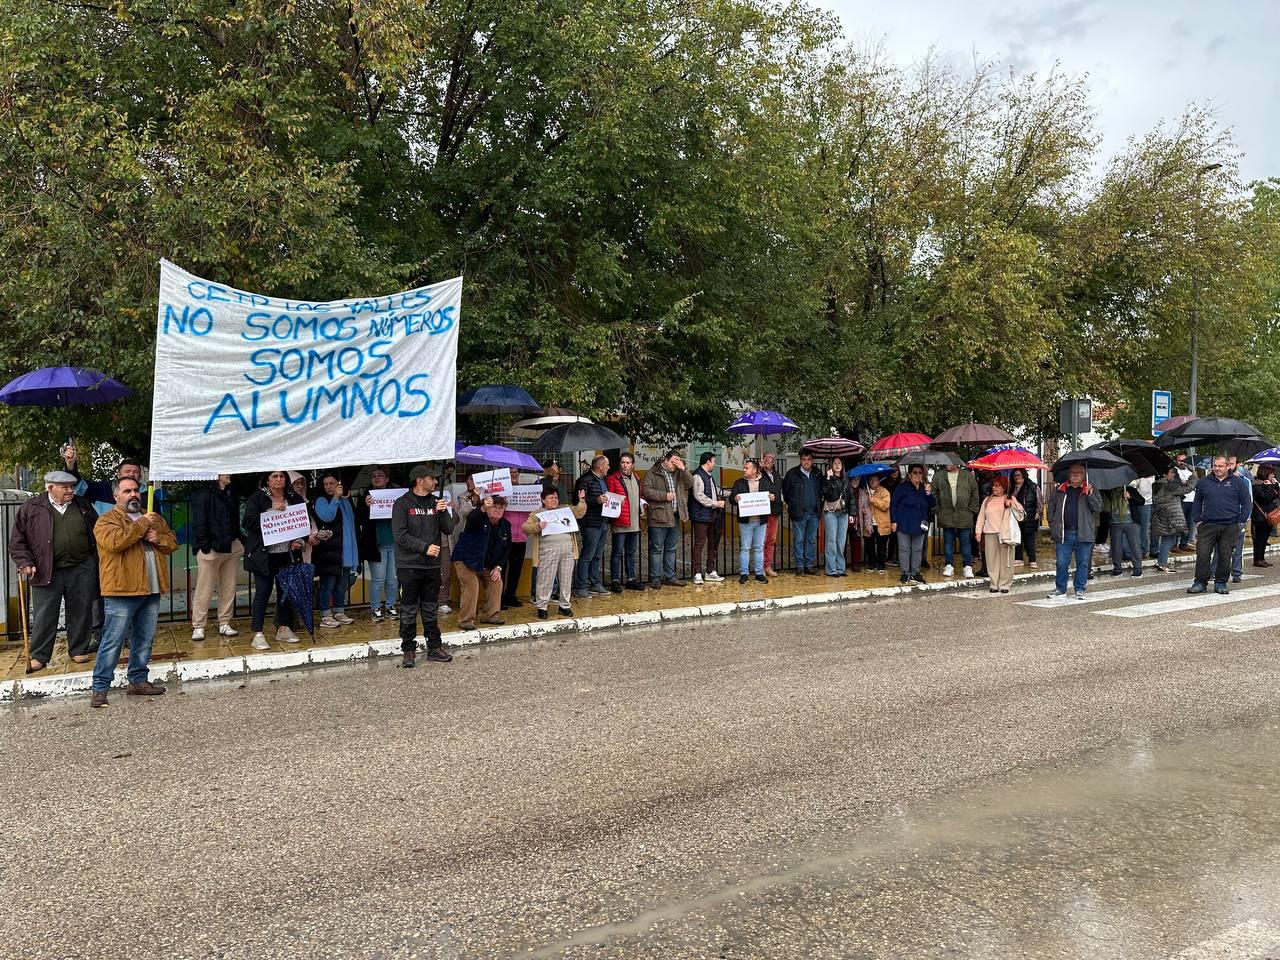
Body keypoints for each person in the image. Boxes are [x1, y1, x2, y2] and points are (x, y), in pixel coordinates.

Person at [88, 476, 177, 708]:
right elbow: (116, 542)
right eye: (127, 491)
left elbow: (172, 542)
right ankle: (100, 688)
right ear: (116, 496)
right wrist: (142, 525)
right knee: (113, 641)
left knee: (144, 640)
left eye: (136, 490)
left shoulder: (152, 518)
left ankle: (138, 681)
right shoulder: (106, 521)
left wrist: (158, 538)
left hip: (152, 588)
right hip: (121, 590)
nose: (134, 494)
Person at [9, 470, 100, 673]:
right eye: (64, 487)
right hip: (45, 569)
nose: (70, 490)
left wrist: (94, 560)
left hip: (81, 566)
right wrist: (25, 561)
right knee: (44, 614)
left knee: (81, 610)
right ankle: (40, 655)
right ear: (50, 488)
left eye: (71, 486)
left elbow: (98, 531)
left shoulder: (82, 505)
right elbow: (17, 541)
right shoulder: (32, 508)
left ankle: (78, 649)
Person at [392, 464, 455, 667]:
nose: (436, 482)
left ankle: (434, 647)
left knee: (430, 608)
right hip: (408, 566)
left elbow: (448, 528)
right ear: (419, 480)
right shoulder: (402, 504)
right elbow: (400, 535)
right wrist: (424, 547)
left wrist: (444, 512)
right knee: (409, 610)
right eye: (431, 478)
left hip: (431, 567)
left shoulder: (436, 502)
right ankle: (408, 650)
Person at [241, 471, 312, 650]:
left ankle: (284, 628)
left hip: (287, 554)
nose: (279, 479)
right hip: (265, 555)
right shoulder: (258, 498)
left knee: (285, 593)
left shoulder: (293, 496)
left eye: (281, 476)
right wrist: (271, 512)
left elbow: (303, 522)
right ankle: (257, 632)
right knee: (263, 592)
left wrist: (299, 540)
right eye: (274, 476)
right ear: (267, 479)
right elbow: (247, 522)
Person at [1187, 455, 1251, 595]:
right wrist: (1197, 520)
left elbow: (1246, 502)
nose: (1217, 468)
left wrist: (1241, 521)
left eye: (1220, 466)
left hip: (1230, 525)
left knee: (1225, 555)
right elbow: (1197, 502)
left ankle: (1220, 583)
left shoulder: (1238, 482)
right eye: (1215, 465)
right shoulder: (1204, 482)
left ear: (1228, 466)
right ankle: (1200, 582)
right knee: (1203, 554)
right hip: (1208, 525)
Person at [189, 474, 242, 641]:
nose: (230, 475)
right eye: (226, 472)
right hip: (211, 548)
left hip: (230, 545)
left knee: (229, 586)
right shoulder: (203, 494)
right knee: (204, 588)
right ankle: (198, 625)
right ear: (217, 475)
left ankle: (224, 622)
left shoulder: (231, 493)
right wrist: (205, 545)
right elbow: (199, 522)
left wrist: (239, 539)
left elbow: (234, 520)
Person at [524, 486, 587, 618]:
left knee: (566, 578)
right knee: (545, 579)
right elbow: (525, 527)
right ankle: (542, 606)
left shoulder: (565, 510)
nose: (554, 500)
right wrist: (538, 526)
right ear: (543, 500)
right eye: (551, 497)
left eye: (556, 497)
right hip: (548, 550)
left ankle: (564, 605)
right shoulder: (537, 514)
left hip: (567, 548)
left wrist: (581, 501)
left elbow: (579, 512)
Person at [452, 494, 511, 630]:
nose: (497, 510)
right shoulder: (479, 518)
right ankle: (466, 620)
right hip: (465, 559)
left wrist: (498, 567)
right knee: (471, 585)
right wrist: (483, 507)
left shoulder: (506, 525)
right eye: (494, 507)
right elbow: (471, 518)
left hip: (485, 564)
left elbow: (506, 548)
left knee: (496, 581)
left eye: (501, 507)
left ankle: (490, 615)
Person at [1046, 465, 1102, 600]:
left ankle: (1080, 589)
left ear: (1084, 475)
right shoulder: (1059, 489)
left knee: (1082, 562)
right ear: (1068, 474)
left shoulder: (1091, 489)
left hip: (1084, 532)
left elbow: (1099, 508)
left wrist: (1090, 495)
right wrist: (1053, 525)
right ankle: (1060, 589)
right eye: (1073, 472)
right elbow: (1051, 509)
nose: (1076, 475)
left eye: (1079, 473)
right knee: (1061, 562)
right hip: (1064, 533)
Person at [643, 450, 693, 588]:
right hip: (659, 516)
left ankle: (670, 576)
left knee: (671, 548)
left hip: (675, 516)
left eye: (678, 461)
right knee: (656, 548)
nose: (674, 464)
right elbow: (646, 491)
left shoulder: (679, 472)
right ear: (665, 460)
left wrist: (683, 468)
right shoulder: (653, 472)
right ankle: (655, 578)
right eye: (673, 461)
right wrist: (664, 496)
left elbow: (690, 483)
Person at [313, 472, 358, 627]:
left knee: (341, 584)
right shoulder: (321, 500)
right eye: (326, 484)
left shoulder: (345, 500)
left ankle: (339, 611)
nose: (329, 487)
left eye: (331, 483)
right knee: (328, 585)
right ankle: (325, 615)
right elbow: (327, 516)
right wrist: (335, 499)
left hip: (344, 550)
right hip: (330, 551)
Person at [356, 465, 398, 623]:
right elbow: (359, 519)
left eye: (380, 475)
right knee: (378, 579)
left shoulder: (395, 495)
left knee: (392, 579)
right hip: (376, 544)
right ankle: (375, 608)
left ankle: (390, 606)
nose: (377, 478)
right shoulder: (365, 497)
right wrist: (367, 508)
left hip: (394, 543)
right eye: (374, 476)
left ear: (387, 479)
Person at [974, 475, 1025, 593]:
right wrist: (978, 531)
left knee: (1006, 559)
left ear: (1004, 487)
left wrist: (1010, 504)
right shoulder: (987, 500)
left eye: (997, 486)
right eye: (993, 485)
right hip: (989, 532)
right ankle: (994, 583)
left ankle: (1005, 584)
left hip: (1005, 533)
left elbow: (1021, 515)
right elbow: (981, 516)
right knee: (991, 559)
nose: (994, 488)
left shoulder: (1010, 498)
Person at [573, 456, 611, 598]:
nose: (608, 468)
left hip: (602, 522)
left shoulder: (603, 480)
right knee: (587, 555)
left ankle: (595, 583)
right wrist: (596, 500)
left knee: (596, 555)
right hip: (590, 523)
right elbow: (579, 501)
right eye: (607, 465)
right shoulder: (585, 480)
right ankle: (581, 586)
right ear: (600, 466)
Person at [730, 458, 774, 583]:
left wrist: (772, 497)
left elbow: (774, 494)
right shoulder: (739, 483)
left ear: (754, 470)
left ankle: (759, 573)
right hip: (745, 521)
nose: (744, 469)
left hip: (761, 521)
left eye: (747, 467)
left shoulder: (765, 482)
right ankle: (744, 573)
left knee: (759, 547)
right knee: (745, 548)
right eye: (744, 467)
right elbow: (732, 499)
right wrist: (735, 498)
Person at [889, 464, 935, 584]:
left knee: (918, 549)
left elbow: (932, 504)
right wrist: (893, 521)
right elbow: (893, 504)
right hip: (904, 522)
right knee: (904, 549)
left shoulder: (924, 488)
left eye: (920, 472)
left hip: (920, 523)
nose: (918, 475)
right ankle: (905, 572)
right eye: (915, 472)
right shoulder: (902, 488)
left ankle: (915, 572)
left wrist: (929, 493)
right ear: (909, 474)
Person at [932, 463, 979, 578]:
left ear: (956, 462)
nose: (946, 463)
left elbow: (974, 494)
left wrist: (971, 510)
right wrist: (938, 511)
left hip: (964, 515)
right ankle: (949, 565)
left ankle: (967, 566)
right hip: (946, 514)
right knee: (948, 542)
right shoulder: (938, 476)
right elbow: (934, 495)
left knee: (965, 542)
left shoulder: (967, 476)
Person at [606, 453, 645, 591]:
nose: (625, 465)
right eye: (623, 462)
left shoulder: (637, 478)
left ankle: (631, 579)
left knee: (631, 552)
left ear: (632, 465)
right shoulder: (613, 478)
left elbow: (638, 497)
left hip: (634, 522)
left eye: (628, 462)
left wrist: (641, 506)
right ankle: (615, 580)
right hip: (620, 522)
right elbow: (609, 498)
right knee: (617, 552)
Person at [689, 452, 726, 585]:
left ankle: (710, 571)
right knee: (699, 544)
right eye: (714, 461)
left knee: (713, 544)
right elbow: (699, 495)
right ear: (708, 462)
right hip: (700, 516)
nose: (715, 464)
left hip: (711, 516)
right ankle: (697, 573)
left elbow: (714, 490)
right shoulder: (698, 476)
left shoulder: (709, 476)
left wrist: (731, 493)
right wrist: (716, 503)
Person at [782, 450, 822, 575]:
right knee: (799, 539)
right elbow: (786, 492)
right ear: (800, 460)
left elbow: (821, 490)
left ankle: (808, 565)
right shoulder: (792, 474)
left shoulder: (817, 473)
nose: (806, 462)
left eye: (809, 459)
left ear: (812, 461)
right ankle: (799, 565)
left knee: (810, 540)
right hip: (799, 512)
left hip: (814, 512)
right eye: (804, 459)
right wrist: (793, 505)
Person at [1150, 464, 1196, 571]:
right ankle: (1162, 563)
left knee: (1170, 538)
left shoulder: (1159, 485)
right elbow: (1189, 488)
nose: (1173, 474)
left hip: (1163, 515)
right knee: (1168, 539)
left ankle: (1161, 562)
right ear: (1165, 475)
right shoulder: (1168, 486)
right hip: (1169, 515)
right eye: (1171, 472)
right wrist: (1193, 476)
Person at [501, 468, 529, 610]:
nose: (514, 474)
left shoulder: (526, 491)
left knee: (516, 569)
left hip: (522, 536)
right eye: (511, 472)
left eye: (516, 472)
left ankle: (510, 596)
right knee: (501, 568)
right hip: (506, 537)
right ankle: (498, 598)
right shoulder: (503, 492)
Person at [821, 457, 852, 576]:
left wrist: (852, 513)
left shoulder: (846, 479)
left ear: (842, 465)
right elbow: (827, 494)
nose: (837, 465)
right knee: (831, 541)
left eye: (839, 463)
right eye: (834, 463)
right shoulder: (827, 479)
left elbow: (851, 497)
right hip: (831, 513)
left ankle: (840, 568)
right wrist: (828, 478)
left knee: (841, 542)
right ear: (831, 465)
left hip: (843, 513)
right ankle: (831, 569)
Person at [1103, 484, 1143, 578]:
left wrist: (1130, 496)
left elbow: (1141, 501)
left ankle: (1138, 568)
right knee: (1116, 547)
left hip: (1132, 522)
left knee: (1135, 546)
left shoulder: (1130, 489)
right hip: (1114, 523)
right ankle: (1117, 569)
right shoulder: (1109, 491)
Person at [1227, 456, 1254, 583]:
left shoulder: (1245, 481)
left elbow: (1249, 502)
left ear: (1237, 465)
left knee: (1238, 548)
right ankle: (1214, 571)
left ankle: (1236, 573)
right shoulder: (1219, 479)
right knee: (1219, 548)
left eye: (1231, 463)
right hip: (1222, 518)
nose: (1229, 466)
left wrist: (1244, 520)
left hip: (1238, 519)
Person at [759, 452, 784, 577]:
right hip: (763, 512)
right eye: (766, 458)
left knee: (771, 540)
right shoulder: (759, 474)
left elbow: (779, 490)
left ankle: (768, 565)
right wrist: (759, 469)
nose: (769, 460)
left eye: (771, 458)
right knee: (762, 540)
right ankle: (760, 567)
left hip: (775, 511)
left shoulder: (777, 474)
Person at [1010, 468, 1041, 569]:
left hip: (1030, 516)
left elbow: (1039, 500)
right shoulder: (1011, 487)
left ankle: (1032, 560)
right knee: (1017, 538)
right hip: (1016, 517)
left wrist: (1038, 512)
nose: (1017, 477)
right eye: (1015, 476)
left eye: (1019, 475)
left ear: (1023, 475)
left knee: (1029, 540)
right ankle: (1018, 559)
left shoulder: (1032, 486)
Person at [862, 473, 892, 574]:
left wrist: (873, 500)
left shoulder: (884, 491)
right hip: (869, 523)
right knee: (869, 545)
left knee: (881, 546)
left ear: (878, 481)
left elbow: (885, 505)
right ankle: (871, 563)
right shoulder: (865, 491)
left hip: (881, 524)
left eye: (875, 480)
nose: (872, 482)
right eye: (870, 480)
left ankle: (881, 565)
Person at [1251, 464, 1278, 567]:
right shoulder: (1257, 484)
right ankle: (1257, 559)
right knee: (1259, 539)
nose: (1273, 475)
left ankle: (1262, 558)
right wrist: (1270, 486)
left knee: (1265, 538)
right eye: (1271, 473)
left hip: (1269, 515)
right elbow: (1265, 498)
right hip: (1260, 515)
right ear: (1265, 473)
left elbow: (1276, 495)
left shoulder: (1268, 483)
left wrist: (1274, 485)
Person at [1174, 453, 1197, 551]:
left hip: (1192, 499)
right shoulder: (1175, 470)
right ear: (1176, 461)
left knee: (1189, 524)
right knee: (1179, 523)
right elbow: (1179, 482)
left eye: (1184, 460)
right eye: (1180, 460)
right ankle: (1174, 544)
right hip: (1181, 500)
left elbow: (1196, 482)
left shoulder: (1190, 471)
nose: (1182, 463)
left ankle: (1184, 543)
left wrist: (1190, 480)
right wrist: (1189, 482)